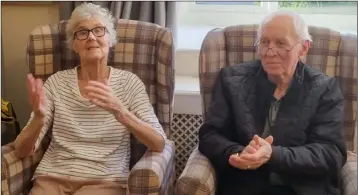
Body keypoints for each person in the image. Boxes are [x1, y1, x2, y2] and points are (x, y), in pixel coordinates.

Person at [14, 3, 166, 195]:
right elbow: (21, 150)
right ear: (74, 44)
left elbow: (159, 142)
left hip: (105, 182)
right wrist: (38, 117)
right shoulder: (56, 82)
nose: (91, 37)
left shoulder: (129, 83)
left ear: (110, 39)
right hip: (51, 178)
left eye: (99, 30)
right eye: (82, 32)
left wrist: (121, 112)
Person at [198, 10, 347, 195]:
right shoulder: (232, 80)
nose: (269, 52)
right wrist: (240, 152)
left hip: (302, 188)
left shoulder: (325, 89)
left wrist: (273, 154)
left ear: (304, 48)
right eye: (264, 42)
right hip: (245, 186)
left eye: (281, 43)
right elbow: (209, 136)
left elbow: (331, 153)